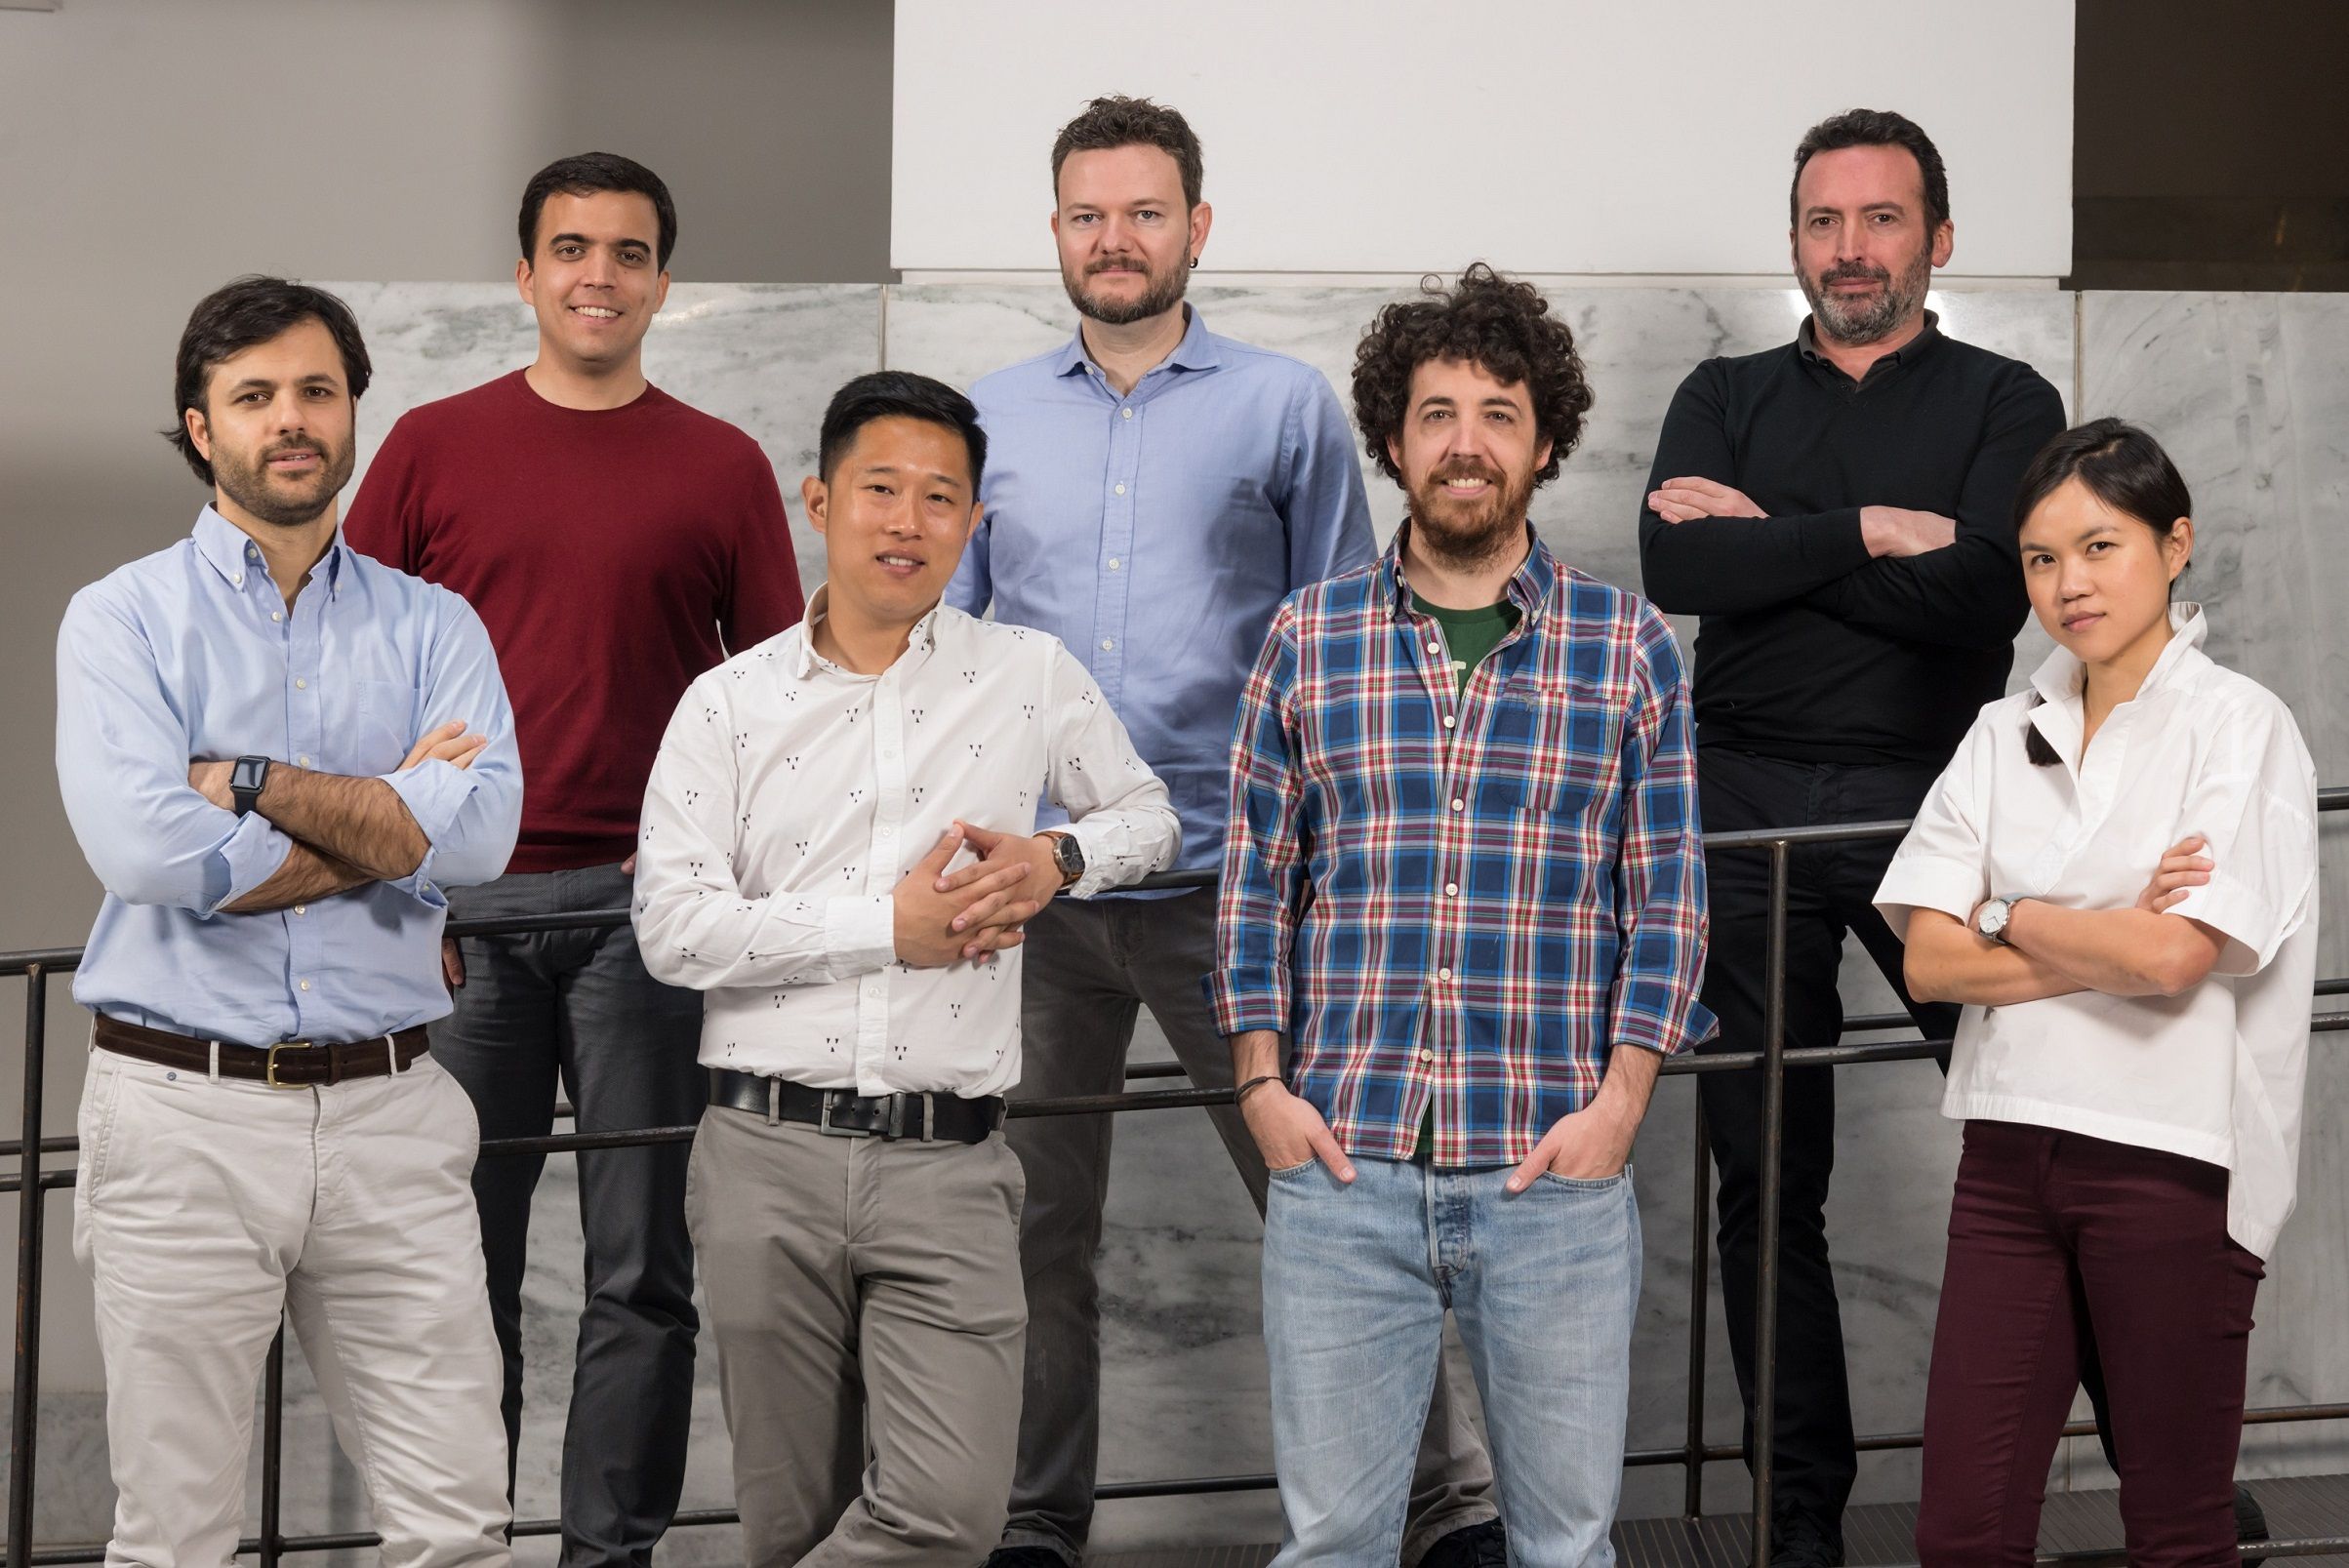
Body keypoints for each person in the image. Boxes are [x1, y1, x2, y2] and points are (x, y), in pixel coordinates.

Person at [945, 95, 1503, 1568]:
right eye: (1087, 214)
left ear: (1196, 225)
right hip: (1036, 896)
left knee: (1331, 1209)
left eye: (1143, 212)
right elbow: (955, 652)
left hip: (1233, 885)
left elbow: (1343, 644)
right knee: (1034, 1226)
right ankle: (1034, 1522)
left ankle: (1443, 1508)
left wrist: (1337, 863)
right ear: (1053, 229)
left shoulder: (1283, 406)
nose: (1114, 238)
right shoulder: (987, 415)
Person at [634, 371, 1181, 1567]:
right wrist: (886, 927)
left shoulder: (1027, 673)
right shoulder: (726, 704)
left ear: (973, 522)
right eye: (880, 488)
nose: (909, 519)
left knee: (947, 1514)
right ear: (819, 501)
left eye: (941, 497)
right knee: (790, 1523)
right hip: (762, 1155)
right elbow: (672, 929)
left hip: (951, 1161)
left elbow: (1150, 816)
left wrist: (1058, 856)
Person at [343, 151, 805, 1561]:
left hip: (643, 916)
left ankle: (611, 1553)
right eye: (570, 248)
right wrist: (395, 889)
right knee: (449, 1267)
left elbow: (778, 703)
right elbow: (350, 679)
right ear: (525, 273)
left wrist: (725, 892)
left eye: (627, 252)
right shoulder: (430, 446)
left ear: (660, 281)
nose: (598, 274)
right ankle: (460, 1540)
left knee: (642, 1269)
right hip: (458, 914)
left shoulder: (721, 465)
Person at [1213, 263, 1713, 1568]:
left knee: (1563, 1545)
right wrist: (1261, 1086)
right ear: (1392, 440)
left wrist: (1618, 1107)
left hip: (1552, 1169)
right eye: (1435, 412)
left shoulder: (1624, 646)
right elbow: (1254, 881)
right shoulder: (1306, 637)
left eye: (1499, 412)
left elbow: (1667, 899)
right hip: (1342, 1167)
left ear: (1544, 442)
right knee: (1332, 1541)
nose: (1465, 442)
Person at [1635, 106, 2070, 1564]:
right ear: (1793, 242)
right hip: (1738, 806)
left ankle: (2145, 1484)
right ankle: (1797, 1522)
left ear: (1935, 238)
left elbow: (1986, 596)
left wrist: (1771, 537)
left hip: (1934, 801)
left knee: (2044, 1144)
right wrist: (1875, 528)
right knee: (1765, 1180)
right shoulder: (1723, 390)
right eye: (1823, 221)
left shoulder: (2006, 398)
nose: (1850, 248)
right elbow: (1675, 561)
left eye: (1880, 218)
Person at [57, 275, 523, 1565]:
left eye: (317, 389)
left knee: (457, 1525)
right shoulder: (120, 618)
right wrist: (389, 816)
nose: (291, 418)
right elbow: (149, 850)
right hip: (182, 1115)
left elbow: (480, 838)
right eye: (254, 395)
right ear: (200, 426)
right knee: (177, 1534)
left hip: (392, 1112)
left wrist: (250, 781)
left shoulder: (434, 623)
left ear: (354, 409)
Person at [1878, 418, 2317, 1566]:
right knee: (1961, 1531)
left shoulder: (2240, 726)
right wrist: (2110, 918)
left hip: (2171, 1157)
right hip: (2005, 1154)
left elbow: (2171, 961)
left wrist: (2005, 908)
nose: (2066, 583)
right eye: (2039, 558)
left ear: (2174, 545)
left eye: (2098, 546)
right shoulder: (1998, 731)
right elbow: (1927, 961)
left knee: (2174, 1529)